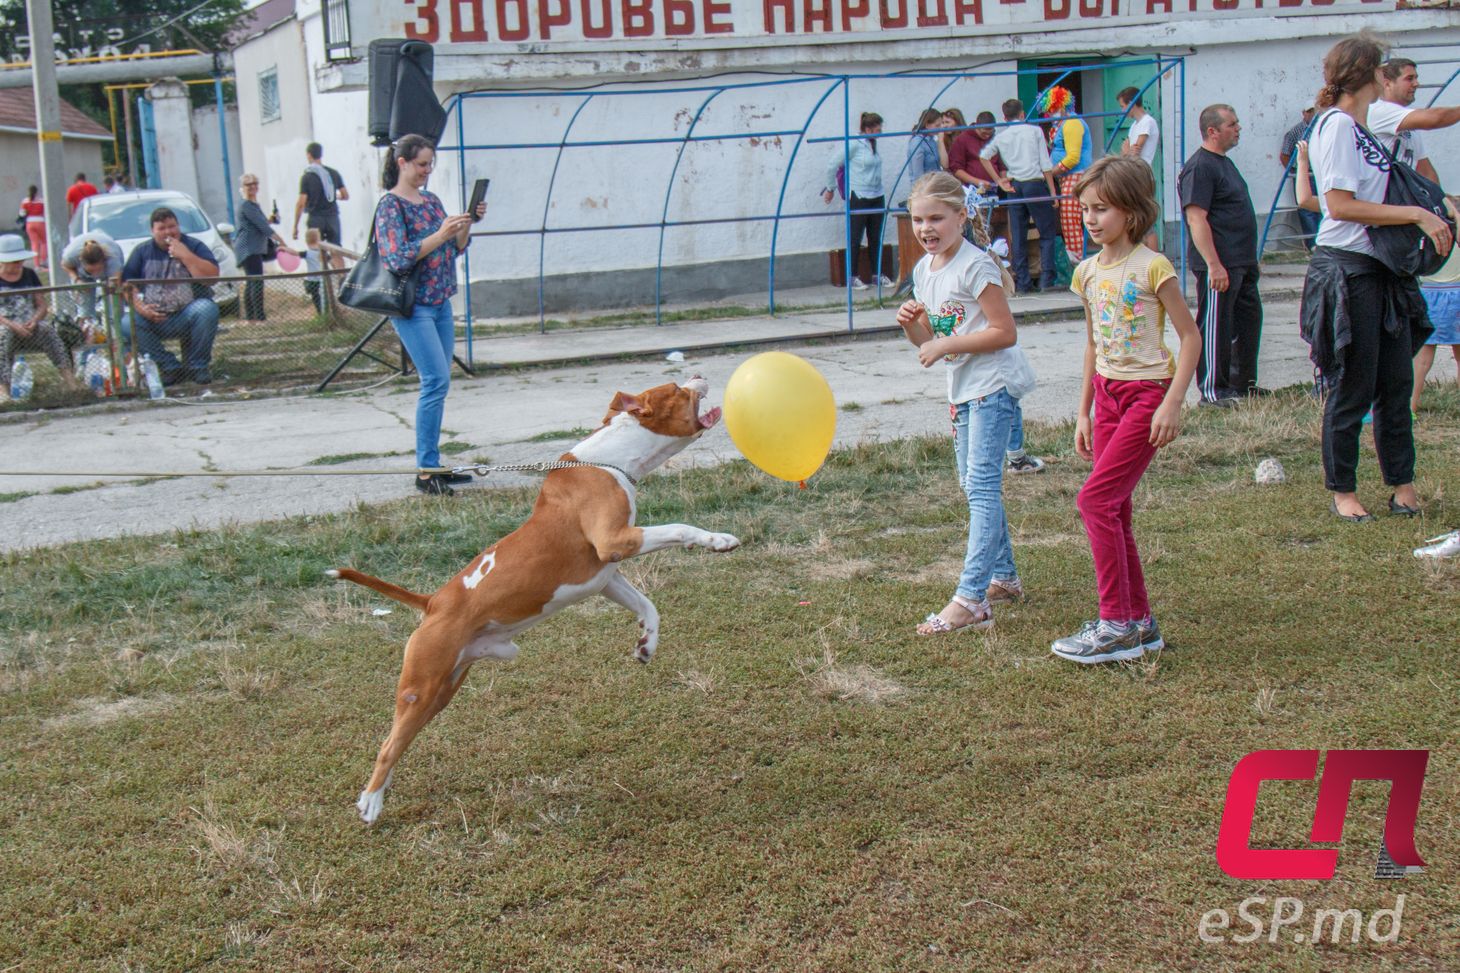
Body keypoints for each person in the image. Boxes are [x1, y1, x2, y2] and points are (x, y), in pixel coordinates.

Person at [1052, 157, 1200, 665]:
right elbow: (1093, 346)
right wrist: (1084, 412)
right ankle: (1139, 624)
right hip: (1107, 396)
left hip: (1146, 396)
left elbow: (1190, 337)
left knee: (1094, 502)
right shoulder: (1086, 273)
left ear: (1132, 212)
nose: (1091, 219)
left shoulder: (1153, 267)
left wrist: (1173, 402)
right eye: (1085, 209)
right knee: (1114, 507)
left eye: (1102, 209)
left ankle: (1114, 624)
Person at [1299, 32, 1449, 523]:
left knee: (1395, 383)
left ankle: (1402, 486)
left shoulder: (1359, 126)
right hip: (1348, 270)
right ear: (1371, 76)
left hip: (1383, 270)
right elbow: (1339, 205)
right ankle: (1343, 491)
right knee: (1353, 385)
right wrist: (1415, 214)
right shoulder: (1338, 126)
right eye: (1388, 71)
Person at [894, 171, 1036, 635]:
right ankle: (1005, 577)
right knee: (970, 483)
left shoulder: (976, 266)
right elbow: (933, 343)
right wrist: (914, 327)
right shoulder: (924, 269)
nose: (925, 228)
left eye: (936, 217)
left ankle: (970, 600)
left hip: (993, 386)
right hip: (963, 388)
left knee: (980, 487)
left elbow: (1004, 332)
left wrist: (938, 346)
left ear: (961, 215)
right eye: (918, 219)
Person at [377, 134, 486, 496]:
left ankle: (433, 462)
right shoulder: (391, 206)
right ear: (402, 163)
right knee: (434, 381)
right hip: (413, 306)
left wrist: (466, 223)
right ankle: (425, 471)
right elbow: (398, 257)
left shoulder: (431, 200)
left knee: (440, 383)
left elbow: (454, 249)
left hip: (440, 301)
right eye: (422, 164)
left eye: (430, 165)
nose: (427, 171)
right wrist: (441, 234)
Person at [1180, 104, 1264, 405]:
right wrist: (1213, 264)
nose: (1238, 128)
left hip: (1241, 261)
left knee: (1247, 321)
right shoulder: (1200, 166)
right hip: (1220, 264)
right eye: (1232, 123)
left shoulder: (1224, 162)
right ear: (1212, 131)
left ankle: (1242, 383)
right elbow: (1196, 218)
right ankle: (1213, 391)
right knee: (1217, 325)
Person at [120, 207, 221, 386]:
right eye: (162, 228)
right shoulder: (142, 251)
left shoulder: (194, 246)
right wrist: (141, 308)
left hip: (188, 314)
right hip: (154, 317)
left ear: (178, 226)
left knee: (207, 309)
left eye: (172, 226)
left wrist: (186, 255)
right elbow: (127, 285)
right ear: (153, 231)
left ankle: (198, 367)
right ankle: (169, 367)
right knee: (128, 323)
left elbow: (212, 277)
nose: (168, 232)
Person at [981, 98, 1058, 294]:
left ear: (1005, 117)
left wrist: (999, 181)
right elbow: (1045, 163)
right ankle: (1046, 280)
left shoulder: (1002, 136)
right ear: (1023, 114)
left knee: (1018, 234)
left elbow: (984, 156)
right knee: (1047, 233)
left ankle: (1022, 282)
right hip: (1035, 183)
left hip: (1014, 186)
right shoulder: (1035, 131)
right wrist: (1053, 193)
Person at [0, 234, 78, 402]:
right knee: (3, 336)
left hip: (30, 326)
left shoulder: (29, 274)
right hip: (6, 326)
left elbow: (41, 304)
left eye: (19, 261)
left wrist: (35, 320)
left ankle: (71, 384)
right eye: (13, 261)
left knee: (48, 330)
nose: (17, 265)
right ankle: (4, 392)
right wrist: (12, 325)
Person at [822, 112, 892, 291]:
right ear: (867, 129)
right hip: (859, 196)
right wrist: (831, 188)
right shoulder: (854, 144)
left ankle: (877, 274)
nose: (880, 132)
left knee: (875, 236)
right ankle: (852, 276)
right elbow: (833, 164)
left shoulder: (872, 144)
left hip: (877, 195)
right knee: (855, 237)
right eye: (877, 129)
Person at [1370, 58, 1460, 181]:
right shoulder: (1379, 110)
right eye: (1409, 78)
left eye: (1416, 78)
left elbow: (1425, 171)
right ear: (1387, 83)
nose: (1416, 83)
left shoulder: (1405, 119)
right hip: (1382, 198)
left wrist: (1439, 199)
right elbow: (1436, 118)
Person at [1411, 202, 1460, 415]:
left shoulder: (1425, 231)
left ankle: (1410, 405)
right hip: (1456, 292)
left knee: (1422, 355)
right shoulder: (1454, 230)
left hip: (1429, 294)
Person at [1037, 86, 1093, 261]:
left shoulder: (1072, 124)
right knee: (1068, 222)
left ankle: (1079, 261)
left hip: (1075, 176)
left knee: (1071, 221)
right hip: (1067, 178)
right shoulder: (1062, 124)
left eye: (1052, 110)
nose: (1050, 114)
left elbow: (1073, 157)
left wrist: (1051, 172)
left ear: (1061, 105)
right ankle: (1076, 259)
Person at [232, 173, 296, 326]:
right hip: (249, 248)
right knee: (256, 282)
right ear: (242, 187)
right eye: (249, 184)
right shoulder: (247, 205)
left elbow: (260, 223)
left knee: (252, 281)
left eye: (255, 183)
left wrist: (271, 219)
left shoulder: (252, 204)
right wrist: (283, 243)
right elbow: (263, 227)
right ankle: (259, 318)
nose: (253, 187)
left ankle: (251, 318)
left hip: (252, 247)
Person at [1116, 86, 1161, 252]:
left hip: (1142, 174)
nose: (1122, 110)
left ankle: (1154, 257)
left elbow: (1135, 150)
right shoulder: (1135, 125)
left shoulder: (1147, 122)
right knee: (1137, 216)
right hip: (1134, 173)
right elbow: (1127, 151)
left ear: (1132, 103)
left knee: (1147, 219)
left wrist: (1128, 152)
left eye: (1123, 106)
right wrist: (1128, 153)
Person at [294, 142, 349, 269]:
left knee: (315, 250)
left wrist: (295, 226)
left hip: (315, 217)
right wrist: (335, 197)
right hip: (332, 217)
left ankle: (322, 281)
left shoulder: (307, 176)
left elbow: (301, 202)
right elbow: (345, 195)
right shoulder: (333, 173)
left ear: (309, 155)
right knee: (336, 250)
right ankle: (342, 279)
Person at [1280, 107, 1320, 250]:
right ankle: (1312, 243)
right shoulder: (1296, 131)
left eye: (1314, 111)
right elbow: (1285, 154)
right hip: (1303, 173)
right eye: (1309, 111)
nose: (1312, 114)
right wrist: (1295, 172)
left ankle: (1321, 240)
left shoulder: (1320, 128)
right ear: (1303, 113)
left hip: (1318, 173)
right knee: (1306, 209)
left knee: (1321, 206)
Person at [59, 230, 123, 320]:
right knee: (84, 308)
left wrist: (112, 288)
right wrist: (77, 280)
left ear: (103, 261)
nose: (95, 273)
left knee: (114, 306)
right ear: (81, 262)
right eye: (91, 270)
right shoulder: (71, 255)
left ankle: (114, 328)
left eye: (98, 269)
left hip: (109, 272)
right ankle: (87, 327)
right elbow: (65, 265)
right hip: (83, 276)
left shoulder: (113, 259)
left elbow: (116, 283)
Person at [948, 110, 1001, 193]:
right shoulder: (963, 139)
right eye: (984, 133)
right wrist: (977, 181)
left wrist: (1002, 181)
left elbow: (1002, 166)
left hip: (994, 189)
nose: (987, 136)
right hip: (972, 188)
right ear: (976, 127)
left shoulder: (995, 139)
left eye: (990, 133)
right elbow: (956, 169)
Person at [905, 108, 946, 187]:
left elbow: (943, 165)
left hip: (935, 186)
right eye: (937, 125)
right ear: (927, 125)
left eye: (941, 124)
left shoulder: (932, 140)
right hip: (924, 189)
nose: (940, 128)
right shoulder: (917, 142)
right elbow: (918, 175)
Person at [17, 186, 45, 270]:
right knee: (44, 242)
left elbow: (22, 214)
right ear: (37, 192)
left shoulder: (25, 201)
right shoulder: (41, 201)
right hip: (40, 222)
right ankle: (43, 262)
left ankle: (36, 265)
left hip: (30, 223)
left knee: (34, 243)